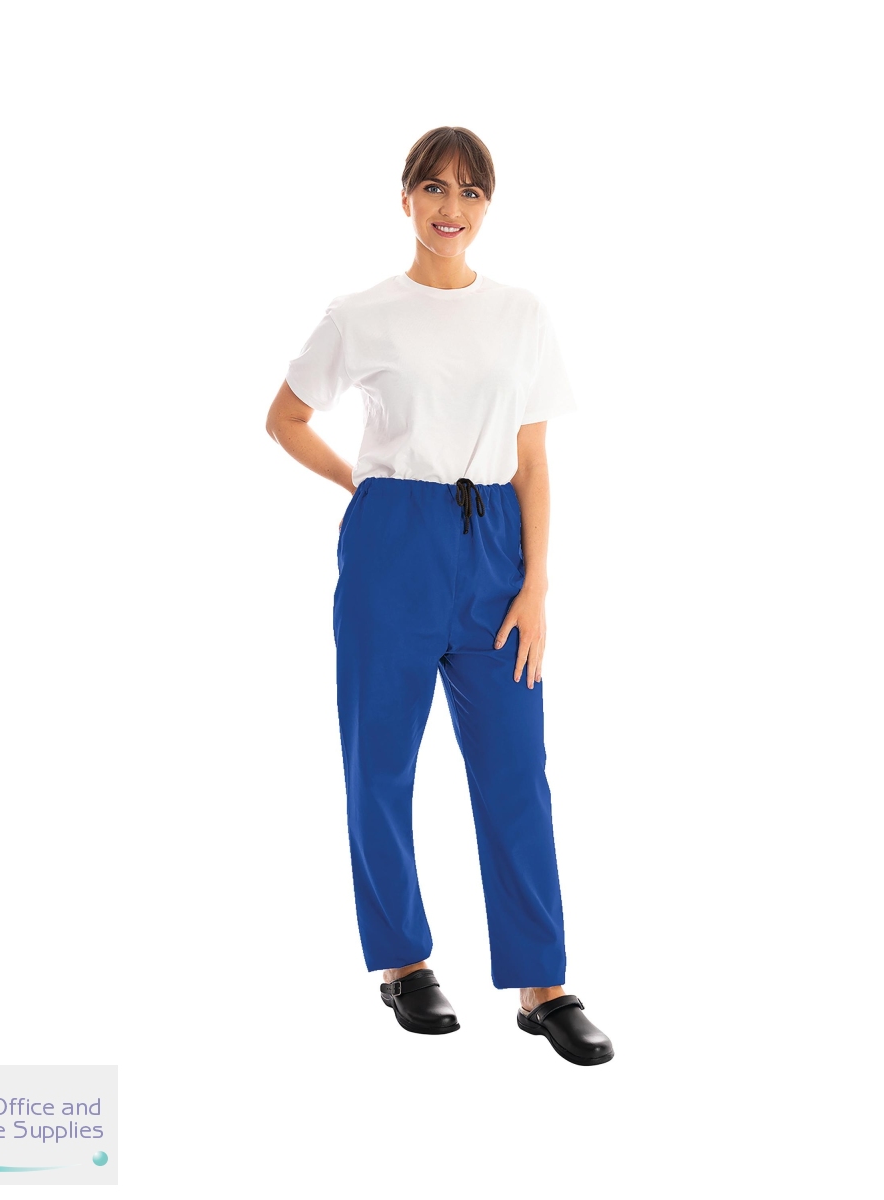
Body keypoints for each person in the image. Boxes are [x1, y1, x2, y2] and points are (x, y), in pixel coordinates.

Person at [264, 126, 614, 1066]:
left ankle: (543, 984)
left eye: (469, 191)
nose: (450, 208)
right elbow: (285, 418)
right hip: (394, 546)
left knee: (516, 771)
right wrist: (362, 486)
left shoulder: (521, 314)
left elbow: (533, 459)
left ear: (487, 206)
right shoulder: (361, 314)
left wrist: (536, 585)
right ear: (406, 199)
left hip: (495, 546)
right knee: (379, 764)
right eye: (433, 188)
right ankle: (403, 962)